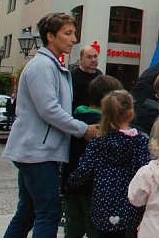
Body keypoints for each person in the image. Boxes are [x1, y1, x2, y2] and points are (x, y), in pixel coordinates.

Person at [3, 12, 98, 238]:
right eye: (67, 33)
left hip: (37, 150)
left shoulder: (52, 65)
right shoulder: (42, 67)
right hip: (37, 151)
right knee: (49, 211)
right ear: (50, 36)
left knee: (27, 211)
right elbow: (49, 110)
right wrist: (82, 129)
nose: (73, 39)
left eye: (73, 33)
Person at [68, 90, 150, 237]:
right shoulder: (140, 141)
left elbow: (85, 168)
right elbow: (145, 170)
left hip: (103, 202)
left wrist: (72, 182)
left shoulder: (98, 142)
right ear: (131, 113)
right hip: (131, 202)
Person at [63, 75, 124, 238]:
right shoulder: (106, 124)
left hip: (71, 184)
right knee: (94, 231)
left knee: (73, 229)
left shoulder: (74, 120)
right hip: (94, 190)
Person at [71, 44, 103, 110]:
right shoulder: (73, 76)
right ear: (81, 59)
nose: (93, 60)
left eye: (95, 56)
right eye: (89, 57)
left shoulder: (99, 75)